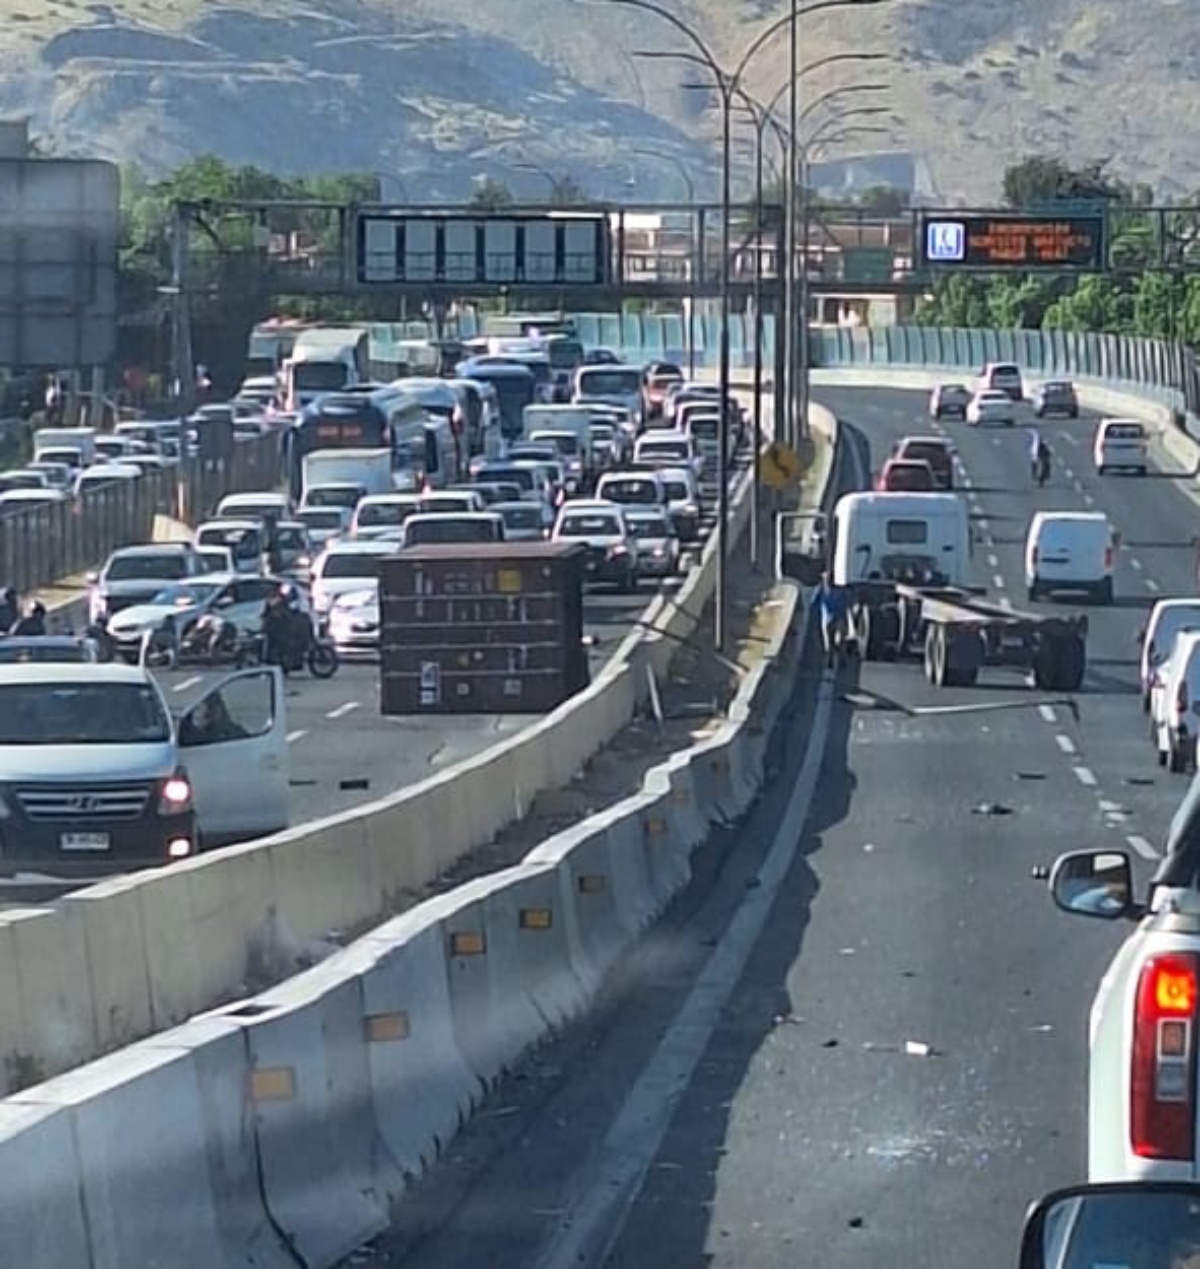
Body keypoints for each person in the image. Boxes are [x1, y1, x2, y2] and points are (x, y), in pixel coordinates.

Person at [814, 571, 851, 670]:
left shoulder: (824, 591)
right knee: (835, 641)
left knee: (833, 641)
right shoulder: (840, 591)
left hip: (832, 618)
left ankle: (835, 659)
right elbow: (848, 602)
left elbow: (814, 603)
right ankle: (837, 659)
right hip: (834, 618)